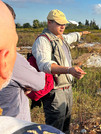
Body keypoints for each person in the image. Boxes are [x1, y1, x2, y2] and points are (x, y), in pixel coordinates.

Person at [0, 2, 64, 134]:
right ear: (4, 61)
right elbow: (39, 82)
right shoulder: (40, 42)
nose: (62, 26)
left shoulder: (59, 39)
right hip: (14, 119)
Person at [32, 9, 90, 133]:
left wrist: (82, 33)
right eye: (59, 23)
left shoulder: (61, 38)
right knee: (55, 128)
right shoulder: (43, 41)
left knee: (65, 125)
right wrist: (69, 70)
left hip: (67, 89)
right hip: (55, 92)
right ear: (49, 22)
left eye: (64, 23)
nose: (62, 26)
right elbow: (44, 65)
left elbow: (72, 36)